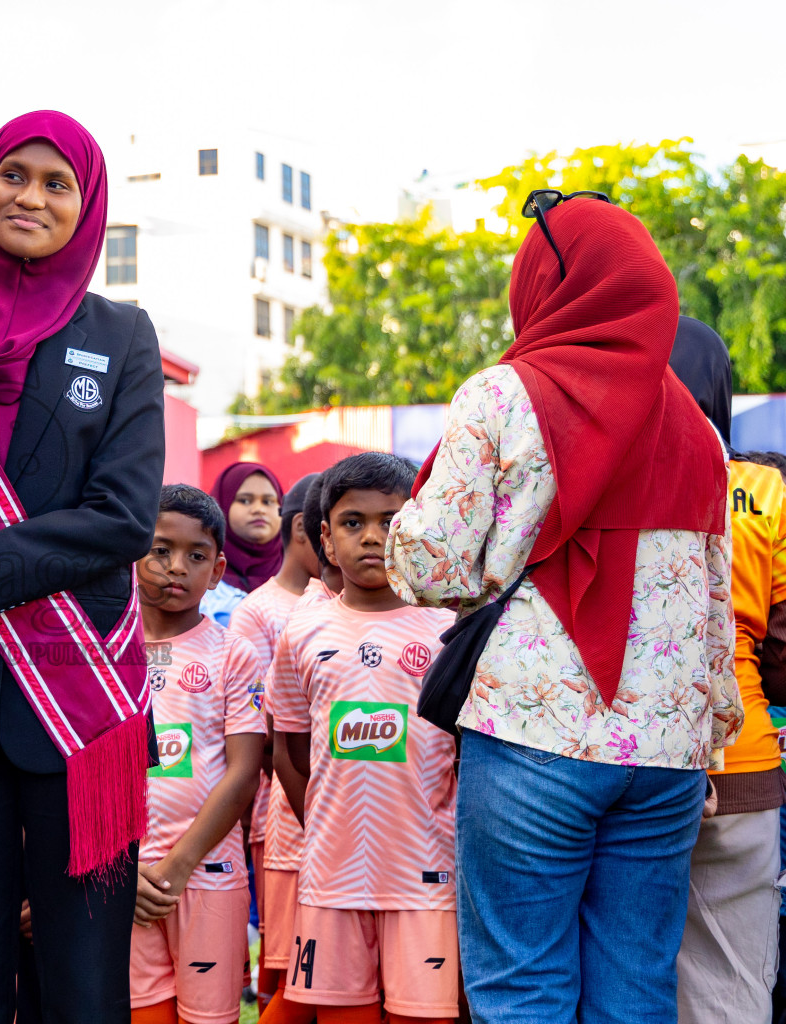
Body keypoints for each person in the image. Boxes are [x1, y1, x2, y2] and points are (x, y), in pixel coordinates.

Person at [388, 195, 739, 1023]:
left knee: (522, 984)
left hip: (533, 733)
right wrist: (710, 735)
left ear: (543, 281)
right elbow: (715, 601)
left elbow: (430, 567)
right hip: (666, 751)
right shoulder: (697, 429)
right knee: (637, 983)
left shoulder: (508, 394)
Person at [0, 110, 166, 1023]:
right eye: (13, 174)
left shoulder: (126, 335)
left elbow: (125, 517)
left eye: (58, 184)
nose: (30, 196)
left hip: (81, 708)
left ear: (87, 207)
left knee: (84, 985)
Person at [264, 453, 458, 1024]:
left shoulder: (449, 629)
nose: (373, 537)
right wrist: (332, 830)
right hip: (332, 880)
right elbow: (289, 753)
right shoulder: (302, 630)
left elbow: (465, 761)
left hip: (426, 880)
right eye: (354, 523)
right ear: (324, 536)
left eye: (391, 522)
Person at [669, 316, 786, 1022]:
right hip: (739, 756)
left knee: (627, 965)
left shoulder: (599, 474)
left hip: (616, 757)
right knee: (733, 975)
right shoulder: (767, 493)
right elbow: (782, 647)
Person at [130, 485, 265, 1024]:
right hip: (127, 879)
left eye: (196, 555)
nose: (175, 567)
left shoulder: (233, 651)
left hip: (207, 873)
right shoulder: (103, 648)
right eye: (160, 550)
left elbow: (244, 772)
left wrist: (179, 866)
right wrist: (126, 871)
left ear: (218, 570)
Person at [227, 473, 321, 1012]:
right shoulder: (260, 612)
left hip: (356, 822)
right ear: (309, 528)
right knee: (287, 964)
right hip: (281, 811)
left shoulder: (340, 605)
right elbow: (262, 728)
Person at [201, 463, 285, 627]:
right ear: (222, 505)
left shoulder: (299, 574)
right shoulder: (202, 575)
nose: (258, 509)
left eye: (268, 501)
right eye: (245, 500)